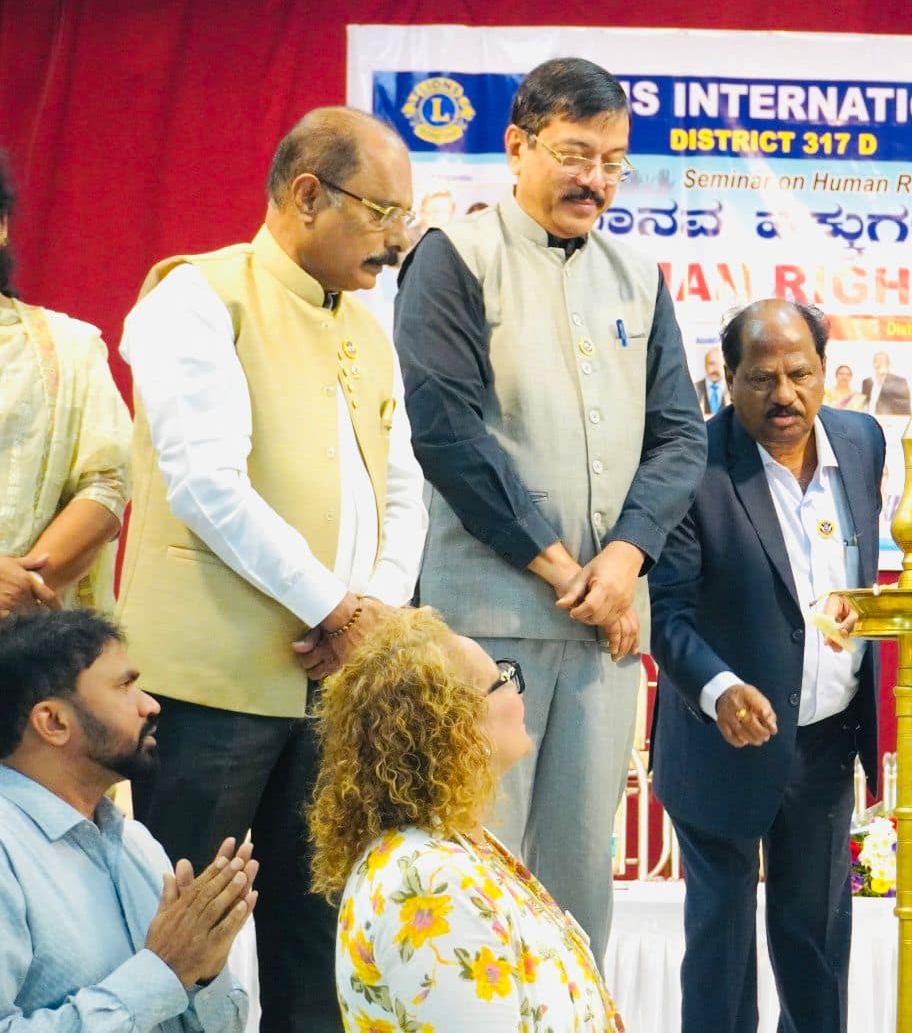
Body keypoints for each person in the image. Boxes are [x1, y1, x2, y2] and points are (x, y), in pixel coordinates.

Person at [118, 106, 428, 1032]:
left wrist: (373, 615)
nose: (397, 241)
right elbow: (206, 484)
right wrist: (336, 607)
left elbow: (404, 490)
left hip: (338, 690)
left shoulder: (367, 330)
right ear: (307, 194)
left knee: (321, 948)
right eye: (382, 212)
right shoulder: (198, 297)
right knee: (181, 945)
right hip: (210, 693)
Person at [392, 56, 705, 958]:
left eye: (613, 163)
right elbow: (448, 435)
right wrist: (570, 572)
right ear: (518, 146)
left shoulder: (638, 275)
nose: (594, 180)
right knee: (473, 874)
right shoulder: (454, 258)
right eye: (574, 155)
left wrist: (626, 558)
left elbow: (680, 436)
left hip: (608, 632)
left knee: (577, 889)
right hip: (487, 628)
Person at [650, 299, 884, 1033]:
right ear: (727, 378)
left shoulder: (863, 441)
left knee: (816, 948)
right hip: (721, 741)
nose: (784, 395)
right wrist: (719, 689)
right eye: (761, 378)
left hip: (825, 739)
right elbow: (667, 610)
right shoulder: (690, 462)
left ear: (825, 370)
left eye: (800, 374)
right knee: (721, 954)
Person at [308, 608, 622, 1032]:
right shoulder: (430, 883)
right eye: (501, 679)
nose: (518, 690)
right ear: (454, 724)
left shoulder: (451, 851)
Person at [0, 610, 256, 1031]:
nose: (150, 705)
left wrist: (204, 974)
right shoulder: (7, 851)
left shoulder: (136, 842)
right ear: (53, 722)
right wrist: (163, 972)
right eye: (124, 686)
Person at [0, 153, 132, 617]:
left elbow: (107, 483)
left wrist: (22, 589)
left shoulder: (70, 347)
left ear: (2, 226)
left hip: (30, 637)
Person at [860, 350, 911, 415]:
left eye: (881, 361)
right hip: (869, 418)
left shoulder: (899, 381)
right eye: (875, 361)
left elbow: (904, 407)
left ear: (888, 364)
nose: (878, 363)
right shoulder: (867, 382)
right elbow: (864, 404)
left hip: (887, 419)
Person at [696, 347, 727, 416]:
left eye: (719, 364)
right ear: (705, 366)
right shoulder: (694, 389)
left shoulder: (732, 389)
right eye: (711, 364)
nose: (715, 368)